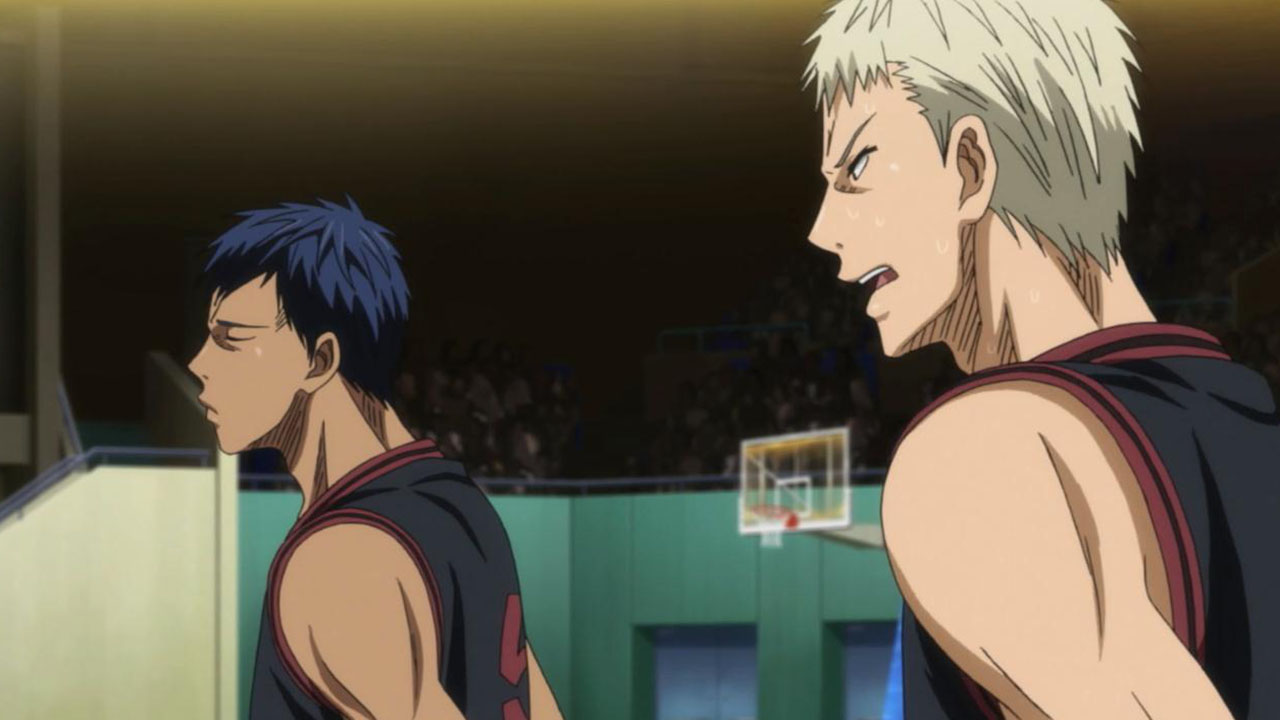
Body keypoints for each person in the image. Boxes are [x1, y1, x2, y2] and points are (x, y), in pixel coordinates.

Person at [803, 1, 1278, 717]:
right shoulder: (1249, 410)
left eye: (859, 166)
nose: (822, 228)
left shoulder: (979, 456)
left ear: (970, 166)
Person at [188, 198, 562, 719]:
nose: (198, 363)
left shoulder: (339, 562)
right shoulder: (463, 506)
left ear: (319, 360)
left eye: (231, 339)